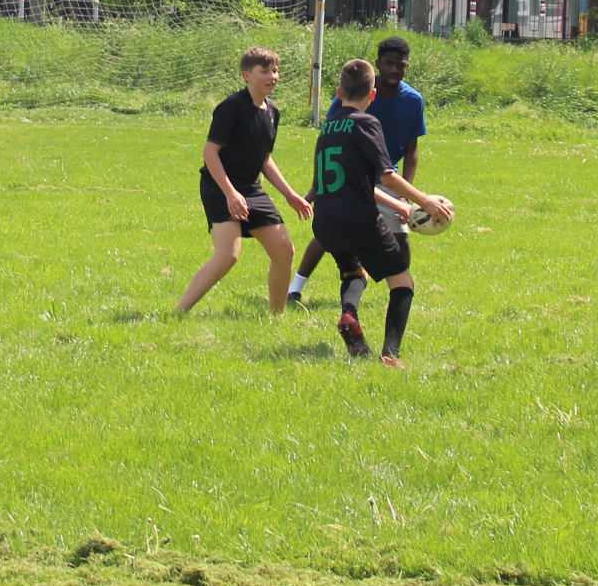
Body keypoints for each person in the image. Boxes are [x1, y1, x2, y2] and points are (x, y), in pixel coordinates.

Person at [310, 58, 453, 366]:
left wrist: (402, 205)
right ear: (372, 94)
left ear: (339, 92)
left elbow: (331, 183)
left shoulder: (328, 127)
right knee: (402, 283)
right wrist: (425, 202)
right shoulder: (367, 123)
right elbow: (387, 176)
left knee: (353, 272)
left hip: (325, 219)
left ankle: (350, 318)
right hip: (359, 218)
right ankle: (390, 354)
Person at [287, 35, 424, 306]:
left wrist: (405, 194)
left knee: (401, 237)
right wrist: (317, 187)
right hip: (351, 175)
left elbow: (412, 149)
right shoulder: (357, 92)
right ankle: (295, 289)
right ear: (378, 64)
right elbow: (330, 140)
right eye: (389, 64)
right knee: (328, 234)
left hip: (388, 178)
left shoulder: (413, 100)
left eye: (400, 65)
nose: (394, 70)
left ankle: (398, 291)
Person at [180, 46, 313, 315]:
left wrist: (290, 194)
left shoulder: (272, 111)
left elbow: (264, 159)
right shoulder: (232, 107)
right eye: (265, 71)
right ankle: (177, 313)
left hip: (251, 189)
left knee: (284, 250)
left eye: (275, 70)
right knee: (228, 255)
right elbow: (210, 153)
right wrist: (230, 194)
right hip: (220, 187)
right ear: (247, 76)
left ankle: (275, 316)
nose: (272, 76)